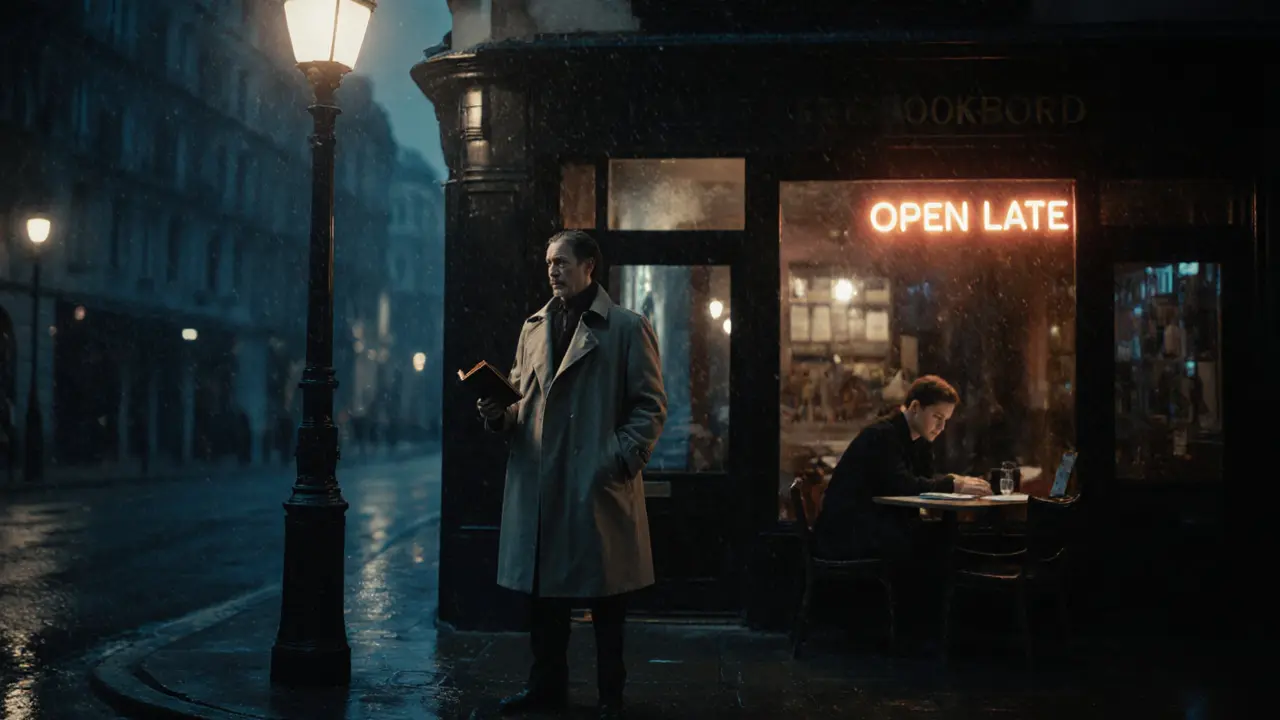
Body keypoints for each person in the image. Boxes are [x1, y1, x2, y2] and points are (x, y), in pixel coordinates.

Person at [478, 230, 667, 720]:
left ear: (590, 267)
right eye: (547, 263)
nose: (552, 271)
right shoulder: (533, 327)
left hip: (593, 482)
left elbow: (650, 406)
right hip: (543, 481)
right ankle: (546, 688)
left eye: (561, 262)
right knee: (546, 599)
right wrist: (498, 412)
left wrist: (618, 458)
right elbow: (520, 396)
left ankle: (611, 694)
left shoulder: (626, 327)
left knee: (608, 599)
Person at [812, 375, 990, 645]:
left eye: (946, 421)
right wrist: (953, 483)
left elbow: (922, 481)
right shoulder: (884, 435)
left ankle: (931, 632)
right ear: (916, 407)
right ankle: (924, 634)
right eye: (937, 417)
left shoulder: (916, 440)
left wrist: (951, 483)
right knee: (932, 544)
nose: (941, 427)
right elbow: (902, 484)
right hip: (848, 533)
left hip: (871, 525)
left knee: (938, 540)